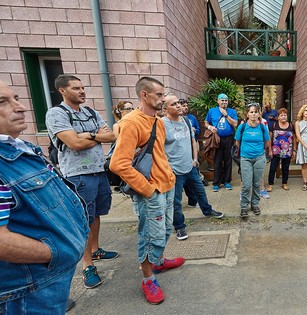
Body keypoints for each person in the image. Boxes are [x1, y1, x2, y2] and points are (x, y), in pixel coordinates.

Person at [0, 80, 89, 314]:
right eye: (3, 102)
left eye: (16, 98)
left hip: (47, 280)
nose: (20, 107)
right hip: (27, 289)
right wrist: (58, 252)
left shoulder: (17, 146)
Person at [109, 77, 185, 305]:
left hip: (167, 185)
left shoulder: (158, 122)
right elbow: (118, 164)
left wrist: (168, 177)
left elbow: (159, 155)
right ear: (144, 95)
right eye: (159, 95)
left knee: (165, 230)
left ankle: (159, 262)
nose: (163, 99)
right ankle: (148, 279)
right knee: (149, 236)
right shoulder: (131, 122)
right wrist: (148, 190)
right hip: (151, 191)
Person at [45, 74, 118, 289]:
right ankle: (87, 265)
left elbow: (111, 136)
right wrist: (93, 136)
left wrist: (88, 135)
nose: (82, 91)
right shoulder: (57, 114)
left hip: (98, 170)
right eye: (76, 88)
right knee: (83, 219)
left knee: (95, 214)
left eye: (83, 87)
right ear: (63, 91)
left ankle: (95, 250)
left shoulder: (90, 112)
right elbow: (74, 143)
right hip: (77, 174)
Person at [162, 94, 224, 241]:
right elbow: (158, 148)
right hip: (174, 171)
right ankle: (179, 226)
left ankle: (207, 211)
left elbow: (192, 140)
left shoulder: (185, 121)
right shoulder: (162, 124)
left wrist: (195, 159)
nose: (178, 106)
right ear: (165, 108)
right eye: (174, 104)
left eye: (178, 103)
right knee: (176, 201)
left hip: (190, 167)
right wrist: (167, 167)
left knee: (200, 192)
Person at [235, 103, 271, 218]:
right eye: (251, 112)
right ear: (247, 114)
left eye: (256, 112)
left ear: (259, 113)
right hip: (245, 158)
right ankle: (244, 206)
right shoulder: (242, 126)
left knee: (257, 183)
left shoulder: (262, 127)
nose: (254, 114)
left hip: (259, 158)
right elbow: (237, 141)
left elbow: (267, 142)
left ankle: (255, 204)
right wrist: (244, 152)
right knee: (246, 184)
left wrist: (260, 151)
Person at [205, 93, 238, 192]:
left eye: (226, 100)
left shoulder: (232, 111)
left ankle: (227, 182)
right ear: (218, 101)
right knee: (218, 160)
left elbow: (235, 124)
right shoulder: (212, 111)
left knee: (228, 160)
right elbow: (206, 122)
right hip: (217, 139)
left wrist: (226, 115)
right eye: (222, 100)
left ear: (228, 102)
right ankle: (216, 183)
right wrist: (210, 127)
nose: (224, 102)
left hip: (229, 138)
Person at [267, 108, 296, 191]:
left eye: (285, 115)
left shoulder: (291, 126)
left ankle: (284, 183)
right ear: (278, 117)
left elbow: (294, 139)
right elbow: (270, 139)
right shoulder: (274, 126)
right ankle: (270, 184)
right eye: (281, 115)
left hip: (287, 151)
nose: (283, 117)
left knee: (285, 168)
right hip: (275, 151)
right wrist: (269, 150)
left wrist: (294, 150)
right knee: (273, 167)